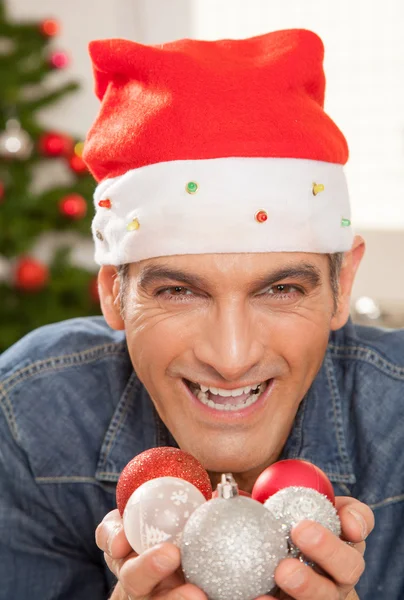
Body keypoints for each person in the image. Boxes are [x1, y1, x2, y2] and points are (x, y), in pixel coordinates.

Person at [0, 27, 403, 600]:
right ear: (115, 293)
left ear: (342, 287)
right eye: (178, 293)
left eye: (283, 289)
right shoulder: (30, 419)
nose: (232, 357)